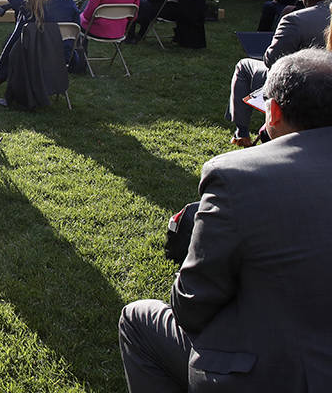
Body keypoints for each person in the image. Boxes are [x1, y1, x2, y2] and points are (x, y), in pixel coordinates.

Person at [118, 48, 332, 393]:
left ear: (272, 111)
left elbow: (191, 305)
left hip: (269, 375)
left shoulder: (238, 175)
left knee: (138, 318)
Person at [226, 0, 332, 147]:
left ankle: (242, 132)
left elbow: (272, 60)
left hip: (299, 86)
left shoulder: (296, 19)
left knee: (244, 65)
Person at [0, 0, 80, 109]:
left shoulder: (30, 2)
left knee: (19, 40)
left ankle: (5, 78)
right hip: (61, 54)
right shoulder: (69, 2)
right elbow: (77, 24)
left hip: (32, 58)